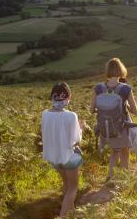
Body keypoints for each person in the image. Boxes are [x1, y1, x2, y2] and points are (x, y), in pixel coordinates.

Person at [91, 58, 137, 180]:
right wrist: (125, 104)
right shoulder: (125, 89)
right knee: (124, 152)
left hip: (104, 128)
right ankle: (124, 178)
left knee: (114, 152)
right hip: (120, 127)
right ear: (121, 70)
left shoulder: (98, 88)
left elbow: (91, 110)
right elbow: (135, 111)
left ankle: (110, 176)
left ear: (107, 71)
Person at [41, 82, 82, 218]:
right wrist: (81, 127)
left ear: (51, 97)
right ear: (68, 97)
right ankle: (63, 216)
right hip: (69, 156)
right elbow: (76, 140)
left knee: (66, 184)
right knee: (73, 188)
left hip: (54, 157)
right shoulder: (71, 116)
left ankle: (72, 214)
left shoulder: (45, 114)